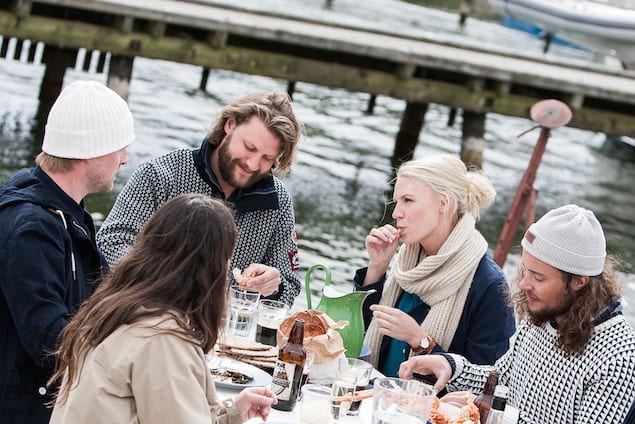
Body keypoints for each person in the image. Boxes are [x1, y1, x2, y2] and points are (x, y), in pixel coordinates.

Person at [49, 193, 277, 423]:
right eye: (226, 258)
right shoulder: (163, 339)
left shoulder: (114, 305)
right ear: (209, 267)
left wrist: (231, 414)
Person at [399, 204, 635, 423]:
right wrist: (450, 367)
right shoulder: (545, 313)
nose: (523, 284)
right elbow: (500, 380)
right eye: (525, 270)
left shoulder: (619, 358)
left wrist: (501, 418)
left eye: (538, 277)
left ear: (579, 282)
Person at [0, 80, 134, 423]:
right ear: (91, 149)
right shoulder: (33, 227)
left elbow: (105, 293)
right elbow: (49, 342)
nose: (124, 159)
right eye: (119, 147)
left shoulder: (67, 211)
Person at [96, 91, 304, 306]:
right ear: (229, 125)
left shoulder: (278, 202)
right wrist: (167, 284)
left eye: (267, 158)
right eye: (249, 148)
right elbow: (111, 242)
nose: (252, 164)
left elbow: (289, 286)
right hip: (147, 317)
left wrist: (273, 286)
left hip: (231, 333)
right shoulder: (161, 174)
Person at [356, 154, 515, 378]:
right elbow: (357, 339)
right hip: (371, 397)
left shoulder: (490, 285)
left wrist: (420, 341)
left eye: (408, 201)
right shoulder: (406, 260)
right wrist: (378, 267)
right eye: (396, 201)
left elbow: (490, 381)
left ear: (444, 203)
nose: (395, 213)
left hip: (427, 410)